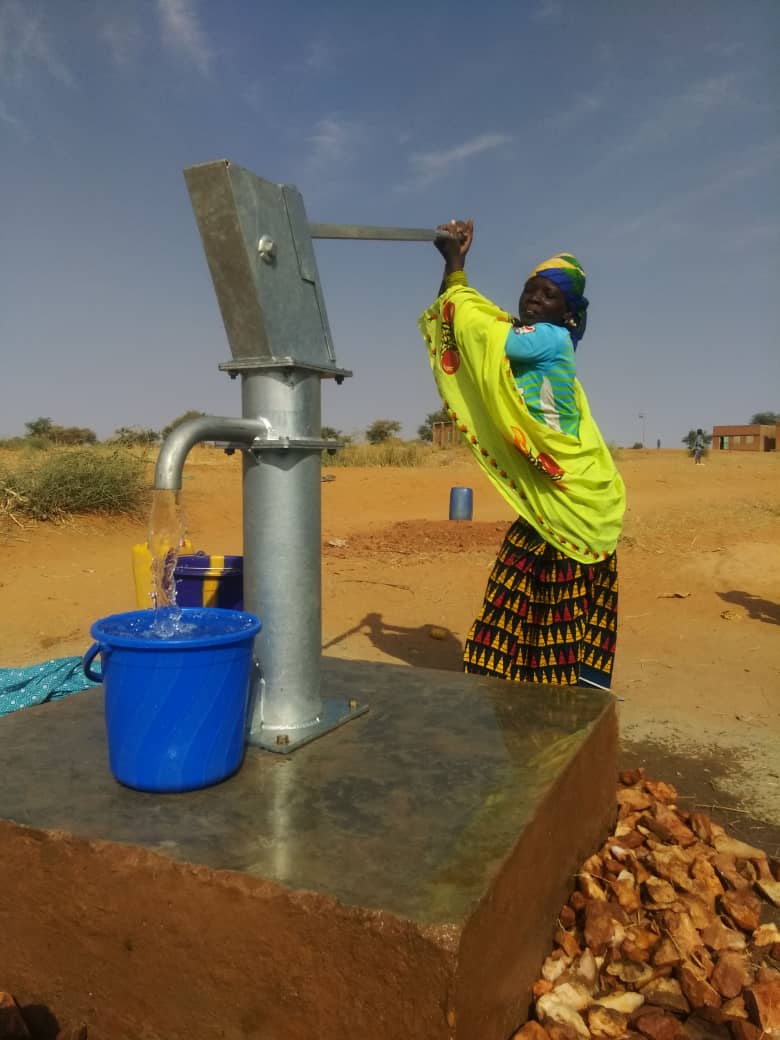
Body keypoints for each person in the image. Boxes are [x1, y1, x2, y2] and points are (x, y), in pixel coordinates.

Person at [419, 220, 625, 690]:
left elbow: (479, 331)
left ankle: (551, 694)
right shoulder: (527, 336)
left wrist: (457, 265)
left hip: (566, 494)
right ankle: (518, 684)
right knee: (521, 584)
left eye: (548, 296)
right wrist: (454, 270)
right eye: (531, 290)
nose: (534, 299)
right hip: (549, 497)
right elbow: (461, 328)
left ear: (567, 312)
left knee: (553, 595)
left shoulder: (547, 339)